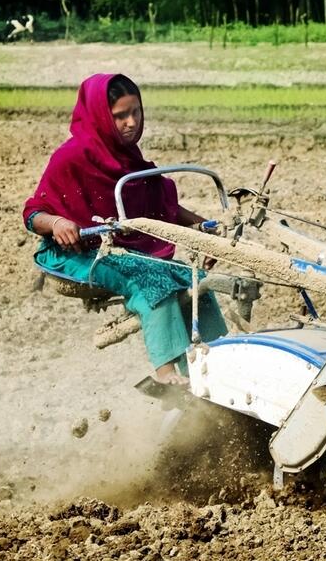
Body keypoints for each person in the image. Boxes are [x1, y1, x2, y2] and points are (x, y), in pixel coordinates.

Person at [23, 73, 227, 386]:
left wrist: (201, 230)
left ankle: (215, 361)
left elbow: (160, 209)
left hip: (120, 250)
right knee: (152, 284)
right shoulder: (71, 156)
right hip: (73, 253)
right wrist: (57, 223)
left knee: (196, 281)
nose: (131, 122)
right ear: (102, 117)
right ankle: (167, 374)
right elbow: (33, 213)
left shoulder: (130, 160)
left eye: (136, 112)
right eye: (120, 116)